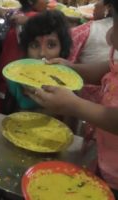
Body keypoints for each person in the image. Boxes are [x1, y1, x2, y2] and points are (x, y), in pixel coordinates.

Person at [26, 0, 118, 195]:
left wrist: (75, 105)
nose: (109, 37)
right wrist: (72, 69)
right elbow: (110, 68)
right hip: (104, 155)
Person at [0, 10, 72, 112]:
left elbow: (69, 125)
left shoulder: (69, 84)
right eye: (35, 45)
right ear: (26, 49)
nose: (42, 53)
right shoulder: (15, 78)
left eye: (51, 45)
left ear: (62, 49)